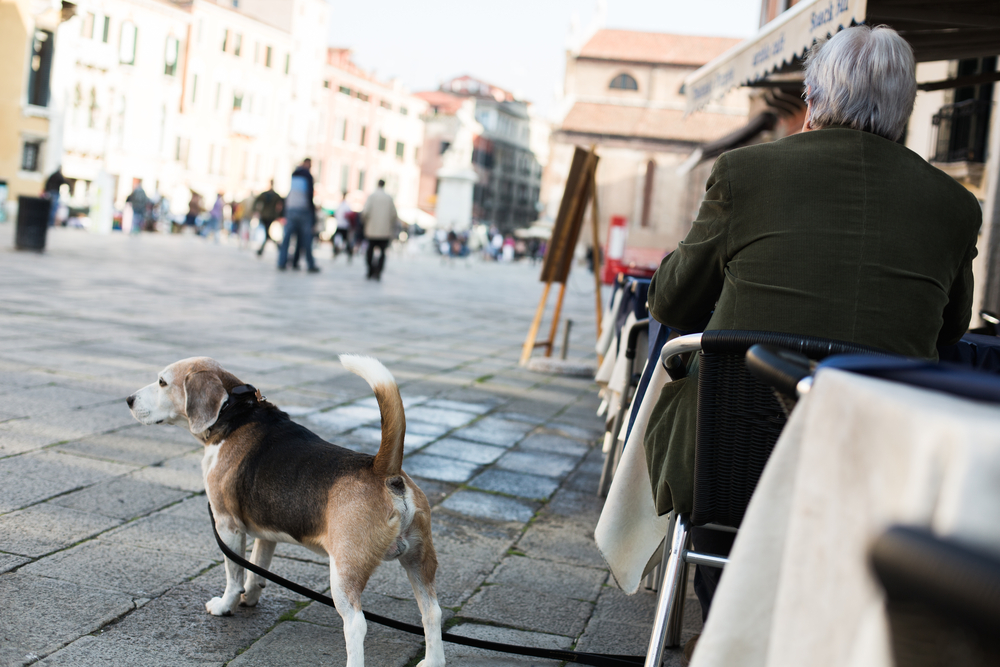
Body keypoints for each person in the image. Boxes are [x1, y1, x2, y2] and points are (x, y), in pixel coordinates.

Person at [643, 25, 981, 633]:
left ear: (815, 98)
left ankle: (729, 626)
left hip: (732, 458)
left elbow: (672, 299)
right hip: (874, 467)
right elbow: (951, 328)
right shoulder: (954, 204)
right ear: (903, 109)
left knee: (691, 417)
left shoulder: (744, 173)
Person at [278, 158, 319, 273]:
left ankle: (282, 262)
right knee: (306, 238)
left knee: (287, 237)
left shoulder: (294, 174)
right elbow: (309, 195)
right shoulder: (308, 176)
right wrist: (313, 213)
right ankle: (309, 264)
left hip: (291, 208)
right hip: (303, 209)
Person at [360, 179, 398, 280]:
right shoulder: (389, 198)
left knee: (370, 251)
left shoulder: (372, 196)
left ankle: (370, 270)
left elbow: (365, 212)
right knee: (382, 252)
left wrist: (365, 223)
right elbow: (394, 214)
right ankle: (378, 272)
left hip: (372, 230)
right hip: (384, 231)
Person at [254, 180, 283, 256]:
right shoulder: (265, 194)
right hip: (265, 216)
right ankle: (279, 247)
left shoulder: (274, 195)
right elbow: (256, 202)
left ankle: (262, 250)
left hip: (270, 216)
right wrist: (257, 211)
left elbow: (282, 203)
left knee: (267, 234)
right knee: (268, 234)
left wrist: (279, 214)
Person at [333, 192, 354, 261]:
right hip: (341, 225)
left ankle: (348, 253)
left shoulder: (345, 205)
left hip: (344, 225)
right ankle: (337, 251)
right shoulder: (342, 205)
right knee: (337, 239)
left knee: (345, 240)